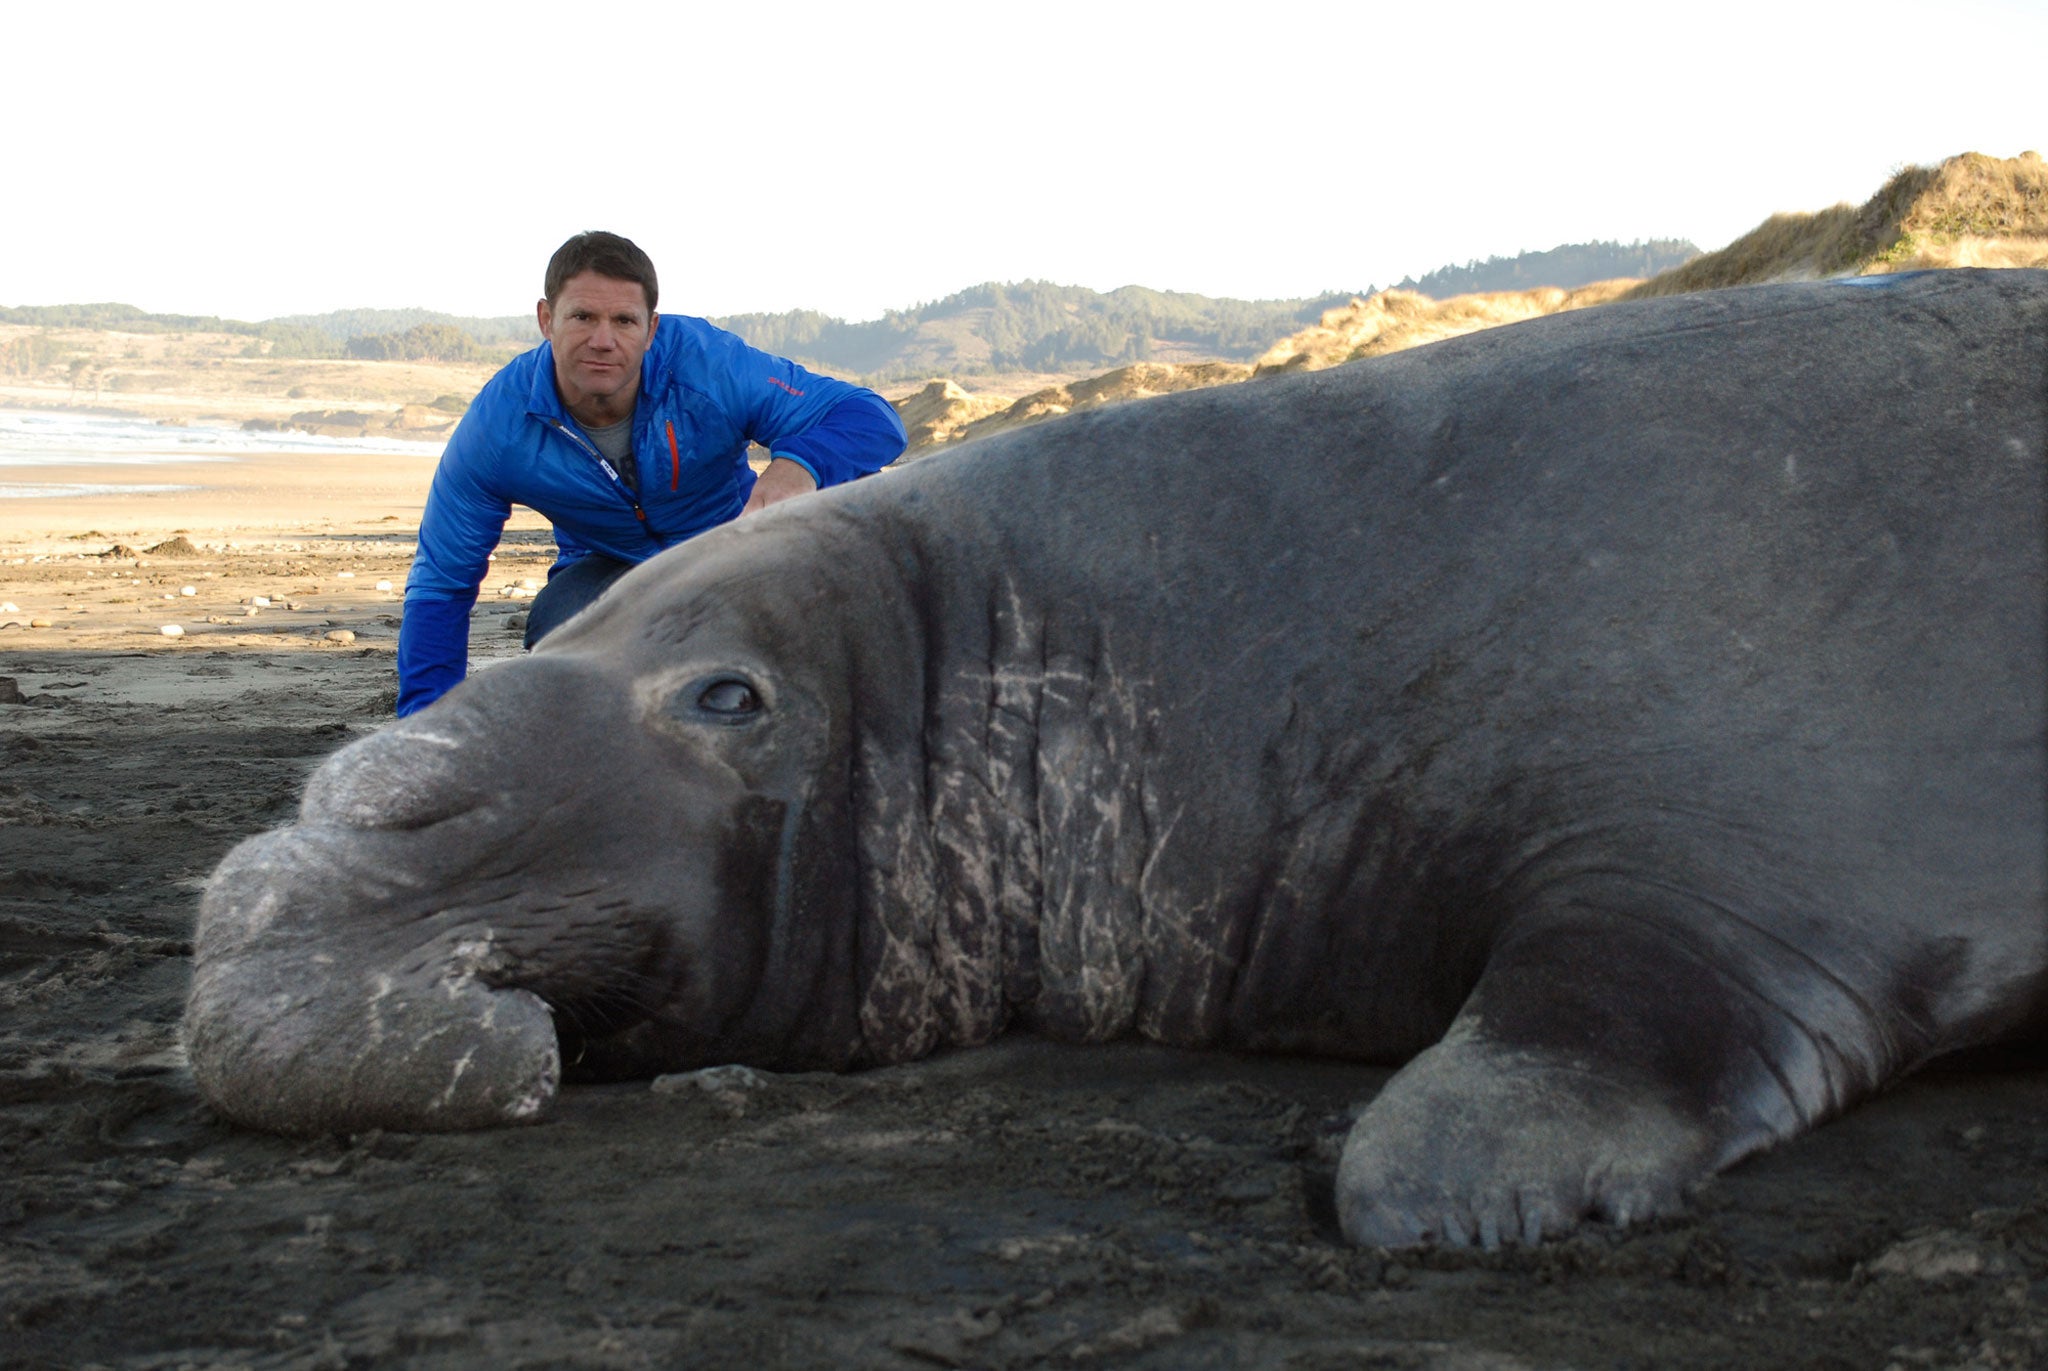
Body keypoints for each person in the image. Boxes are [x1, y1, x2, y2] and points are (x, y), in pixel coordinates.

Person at [397, 231, 907, 716]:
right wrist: (421, 731)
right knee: (562, 650)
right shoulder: (499, 428)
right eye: (583, 317)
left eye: (623, 320)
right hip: (605, 568)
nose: (603, 340)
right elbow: (442, 584)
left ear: (651, 328)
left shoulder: (708, 366)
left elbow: (871, 417)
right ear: (546, 319)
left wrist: (800, 464)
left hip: (735, 546)